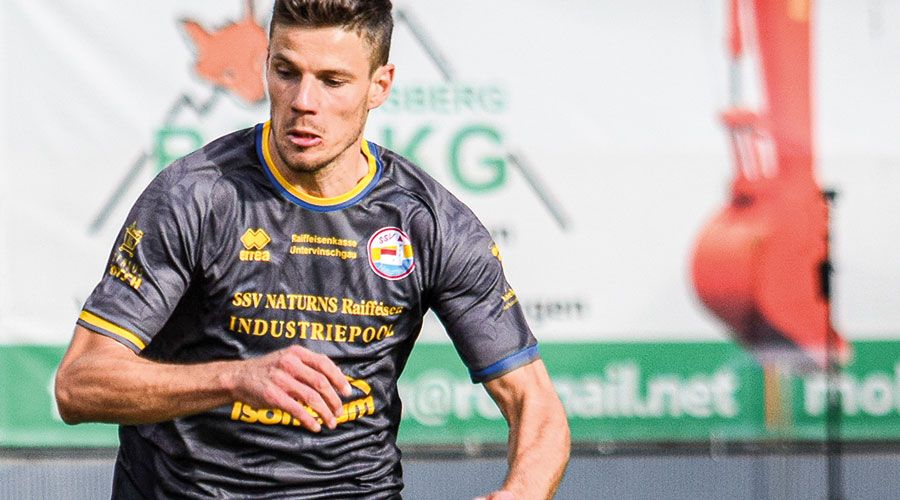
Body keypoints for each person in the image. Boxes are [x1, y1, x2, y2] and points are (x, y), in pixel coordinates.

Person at [54, 0, 570, 498]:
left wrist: (522, 492)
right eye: (286, 72)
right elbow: (78, 385)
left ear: (379, 86)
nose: (303, 100)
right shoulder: (195, 196)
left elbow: (534, 402)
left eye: (332, 81)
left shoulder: (430, 224)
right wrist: (234, 379)